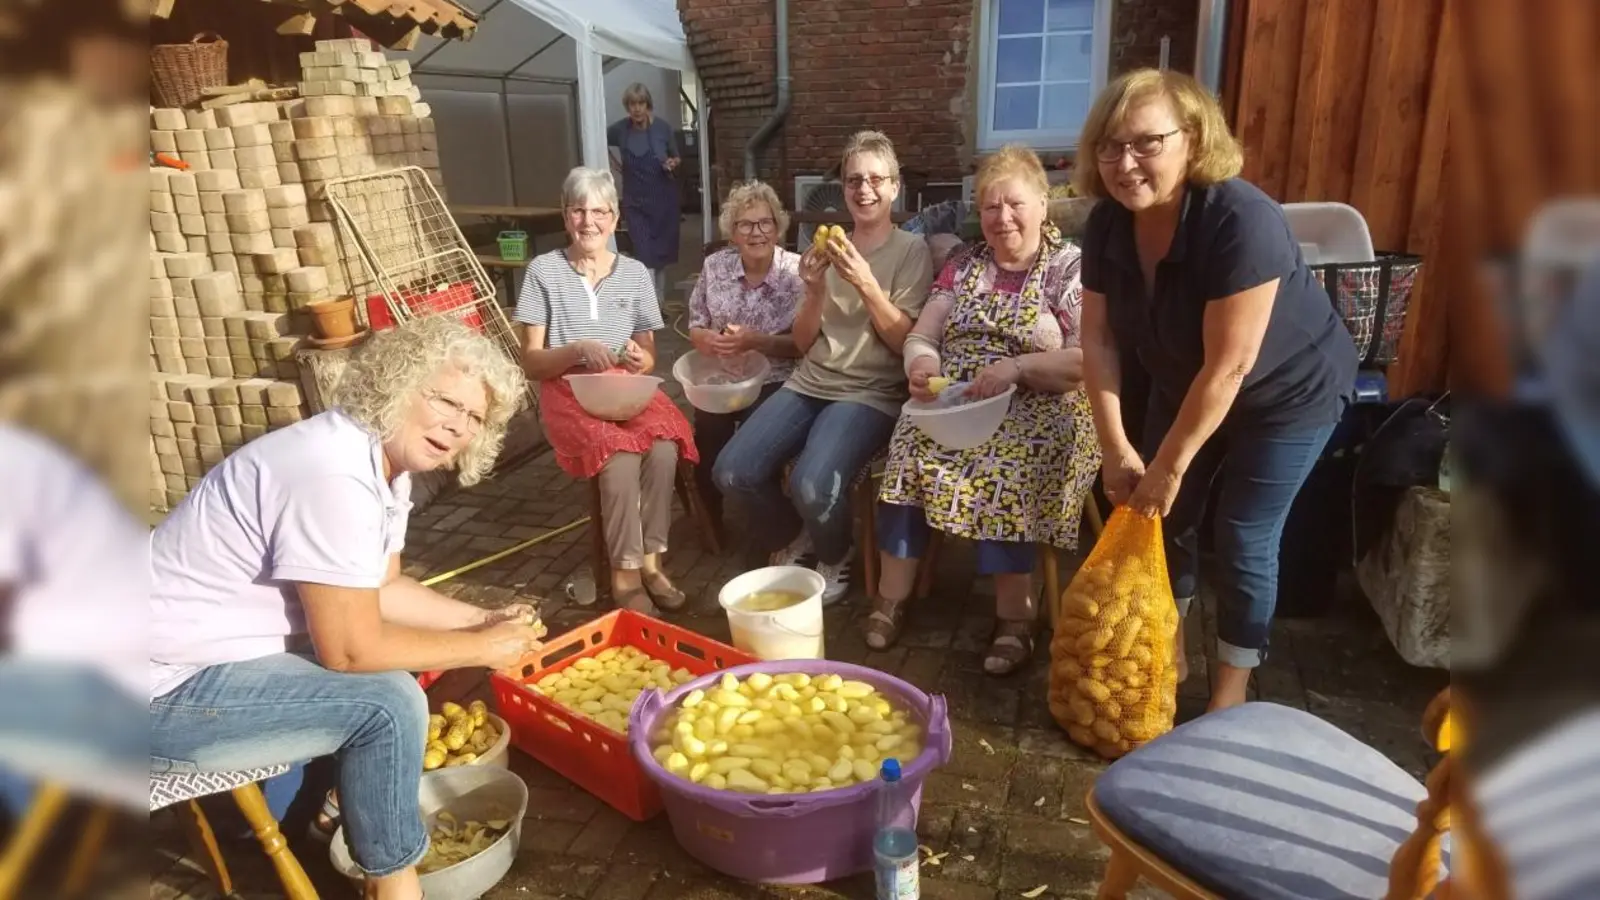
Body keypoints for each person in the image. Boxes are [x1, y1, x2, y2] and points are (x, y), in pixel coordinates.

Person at [149, 317, 545, 900]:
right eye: (445, 401)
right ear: (398, 382)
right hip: (154, 691)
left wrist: (481, 622)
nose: (458, 426)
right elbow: (350, 649)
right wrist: (484, 648)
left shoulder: (381, 465)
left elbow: (383, 589)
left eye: (475, 418)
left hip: (203, 663)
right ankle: (392, 882)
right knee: (387, 701)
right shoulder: (332, 471)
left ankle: (340, 813)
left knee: (399, 665)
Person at [1075, 69, 1358, 712]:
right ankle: (1164, 653)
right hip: (1186, 375)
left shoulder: (1242, 221)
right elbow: (1099, 342)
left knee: (1242, 534)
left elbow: (1231, 367)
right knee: (1161, 515)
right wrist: (1116, 446)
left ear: (1194, 138)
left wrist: (1170, 463)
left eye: (1146, 143)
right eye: (1110, 145)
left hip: (1289, 392)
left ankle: (1229, 695)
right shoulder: (1107, 226)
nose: (1125, 163)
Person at [873, 145, 1100, 674]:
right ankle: (891, 596)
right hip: (963, 398)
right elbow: (923, 334)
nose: (1002, 218)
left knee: (1004, 464)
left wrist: (1018, 368)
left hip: (1043, 401)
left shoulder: (1067, 268)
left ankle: (1015, 615)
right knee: (907, 443)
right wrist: (922, 365)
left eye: (1015, 204)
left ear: (1043, 204)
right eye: (991, 207)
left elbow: (1087, 358)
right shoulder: (963, 264)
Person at [714, 130, 934, 602]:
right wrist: (813, 290)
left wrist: (867, 285)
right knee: (732, 470)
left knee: (814, 483)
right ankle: (799, 536)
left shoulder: (911, 251)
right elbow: (801, 341)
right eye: (854, 179)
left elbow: (905, 341)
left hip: (870, 392)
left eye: (877, 179)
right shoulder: (825, 250)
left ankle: (836, 554)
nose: (865, 189)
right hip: (811, 380)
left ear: (895, 187)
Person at [516, 166, 697, 615]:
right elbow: (531, 362)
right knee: (617, 452)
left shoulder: (634, 273)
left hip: (624, 388)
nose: (588, 221)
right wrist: (575, 349)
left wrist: (640, 359)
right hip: (568, 392)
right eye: (579, 210)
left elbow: (650, 353)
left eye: (599, 211)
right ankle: (625, 575)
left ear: (615, 219)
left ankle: (653, 563)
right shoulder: (544, 271)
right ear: (565, 216)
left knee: (663, 449)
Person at [686, 179, 805, 534]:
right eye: (745, 224)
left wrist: (756, 342)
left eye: (765, 222)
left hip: (776, 377)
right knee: (706, 433)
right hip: (722, 379)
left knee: (758, 438)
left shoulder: (797, 273)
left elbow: (802, 345)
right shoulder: (715, 268)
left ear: (778, 227)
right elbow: (695, 325)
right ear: (732, 233)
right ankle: (711, 523)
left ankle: (772, 525)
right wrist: (707, 340)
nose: (756, 232)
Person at [608, 82, 682, 305]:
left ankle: (658, 302)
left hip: (663, 200)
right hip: (635, 202)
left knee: (659, 255)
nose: (637, 109)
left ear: (647, 104)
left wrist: (671, 163)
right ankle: (651, 306)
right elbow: (595, 137)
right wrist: (614, 164)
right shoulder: (619, 129)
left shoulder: (662, 128)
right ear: (627, 106)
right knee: (643, 253)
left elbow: (677, 156)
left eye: (641, 103)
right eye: (632, 104)